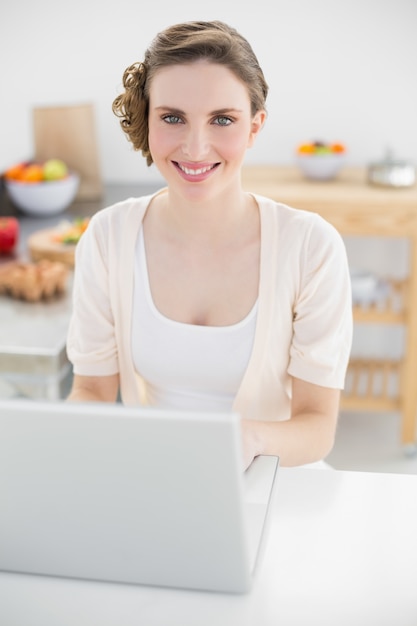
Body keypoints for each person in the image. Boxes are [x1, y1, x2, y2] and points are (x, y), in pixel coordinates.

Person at [66, 20, 353, 470]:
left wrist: (247, 440)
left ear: (255, 127)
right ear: (148, 119)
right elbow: (92, 391)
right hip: (155, 479)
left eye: (222, 119)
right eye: (172, 117)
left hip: (278, 482)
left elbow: (317, 426)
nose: (196, 147)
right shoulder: (107, 239)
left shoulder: (311, 248)